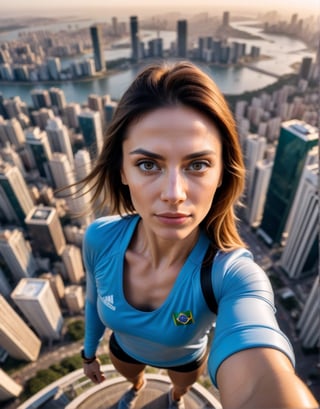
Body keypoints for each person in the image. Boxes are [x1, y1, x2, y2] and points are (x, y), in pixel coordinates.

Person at [79, 61, 318, 409]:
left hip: (185, 362)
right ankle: (136, 387)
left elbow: (259, 382)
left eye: (197, 165)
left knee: (179, 392)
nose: (174, 193)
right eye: (148, 164)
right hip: (125, 352)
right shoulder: (100, 238)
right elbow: (91, 301)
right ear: (122, 171)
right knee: (133, 379)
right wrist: (88, 353)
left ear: (222, 174)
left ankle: (175, 399)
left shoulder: (231, 274)